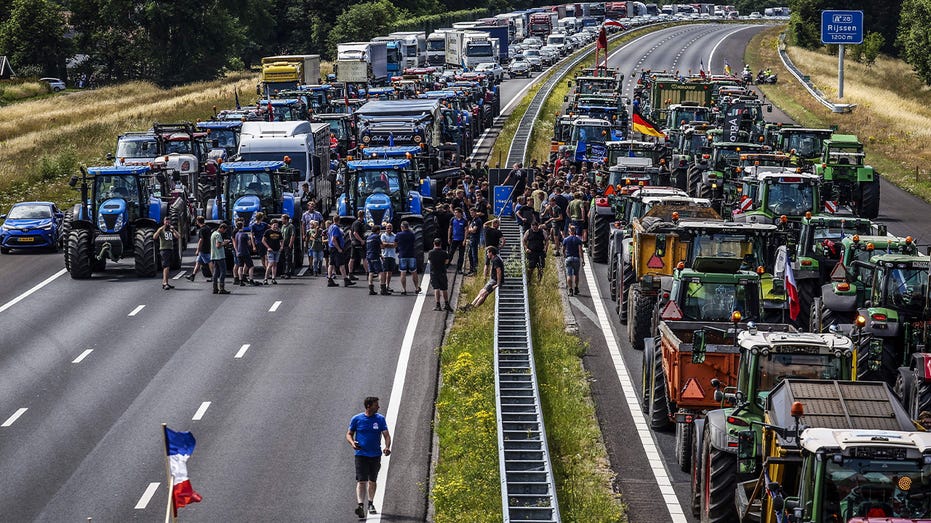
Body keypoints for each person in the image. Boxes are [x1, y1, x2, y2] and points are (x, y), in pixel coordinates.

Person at [346, 396, 391, 518]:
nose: (379, 407)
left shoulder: (380, 419)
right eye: (376, 405)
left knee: (372, 480)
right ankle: (360, 505)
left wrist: (387, 447)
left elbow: (386, 435)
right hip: (361, 455)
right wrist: (352, 443)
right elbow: (349, 434)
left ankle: (370, 503)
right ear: (369, 406)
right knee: (361, 480)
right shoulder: (357, 419)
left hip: (375, 455)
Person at [461, 246, 504, 311]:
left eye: (487, 253)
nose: (487, 254)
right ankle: (471, 306)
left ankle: (472, 308)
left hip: (494, 280)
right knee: (482, 293)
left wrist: (498, 283)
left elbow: (499, 271)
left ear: (491, 253)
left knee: (483, 293)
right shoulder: (495, 259)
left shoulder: (496, 260)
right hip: (493, 279)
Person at [153, 217, 179, 290]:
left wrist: (174, 230)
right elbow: (154, 237)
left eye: (168, 222)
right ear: (164, 222)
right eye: (166, 222)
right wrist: (159, 230)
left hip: (170, 249)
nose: (167, 223)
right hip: (164, 250)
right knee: (166, 267)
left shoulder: (171, 229)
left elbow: (178, 236)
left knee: (168, 267)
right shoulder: (161, 229)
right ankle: (165, 283)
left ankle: (166, 282)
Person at [395, 221, 420, 295]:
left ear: (402, 227)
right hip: (411, 255)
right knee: (414, 272)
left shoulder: (399, 234)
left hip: (402, 255)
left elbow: (395, 244)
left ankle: (404, 289)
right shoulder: (412, 234)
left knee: (403, 272)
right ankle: (416, 288)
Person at [327, 221, 355, 287]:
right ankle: (345, 279)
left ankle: (330, 279)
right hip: (336, 248)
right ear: (339, 220)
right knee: (341, 264)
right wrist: (339, 248)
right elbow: (334, 239)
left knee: (331, 264)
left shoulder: (330, 227)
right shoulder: (336, 228)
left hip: (331, 247)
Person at [186, 216, 212, 283]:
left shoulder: (201, 230)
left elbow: (201, 240)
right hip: (207, 246)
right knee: (198, 262)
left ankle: (213, 276)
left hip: (203, 248)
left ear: (197, 222)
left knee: (209, 262)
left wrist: (198, 249)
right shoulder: (208, 228)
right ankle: (193, 275)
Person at [428, 238, 451, 311]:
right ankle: (446, 304)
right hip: (442, 272)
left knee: (436, 288)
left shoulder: (431, 252)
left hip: (434, 272)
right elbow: (447, 262)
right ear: (440, 244)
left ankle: (438, 305)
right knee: (444, 289)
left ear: (434, 244)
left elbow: (429, 261)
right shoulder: (444, 253)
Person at [235, 219, 259, 286]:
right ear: (242, 226)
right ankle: (251, 280)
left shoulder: (236, 234)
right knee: (251, 266)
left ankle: (240, 280)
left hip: (239, 252)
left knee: (240, 266)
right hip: (245, 252)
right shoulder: (244, 234)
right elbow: (249, 243)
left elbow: (236, 243)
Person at [563, 225, 584, 296]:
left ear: (569, 231)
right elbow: (580, 250)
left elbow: (563, 249)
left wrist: (564, 256)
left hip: (568, 258)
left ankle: (570, 290)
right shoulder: (578, 240)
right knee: (576, 274)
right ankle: (576, 288)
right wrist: (582, 259)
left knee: (569, 275)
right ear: (575, 231)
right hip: (576, 258)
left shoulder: (566, 239)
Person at [210, 223, 231, 294]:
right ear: (222, 228)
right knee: (223, 272)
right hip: (220, 256)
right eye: (224, 230)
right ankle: (222, 288)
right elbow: (218, 245)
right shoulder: (218, 235)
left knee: (216, 272)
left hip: (214, 255)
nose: (224, 231)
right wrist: (225, 243)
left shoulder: (213, 233)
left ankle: (215, 288)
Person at [366, 225, 385, 295]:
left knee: (371, 272)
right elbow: (382, 246)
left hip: (368, 256)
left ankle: (371, 289)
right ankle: (383, 288)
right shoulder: (376, 237)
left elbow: (371, 248)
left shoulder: (368, 237)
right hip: (375, 256)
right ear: (377, 231)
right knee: (380, 272)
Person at [262, 220, 283, 284]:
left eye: (276, 225)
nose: (275, 226)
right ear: (271, 225)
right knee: (270, 264)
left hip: (277, 250)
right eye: (274, 225)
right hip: (271, 250)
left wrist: (281, 246)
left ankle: (273, 278)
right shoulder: (268, 232)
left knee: (275, 264)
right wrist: (268, 247)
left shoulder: (279, 232)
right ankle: (266, 278)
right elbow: (263, 240)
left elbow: (282, 240)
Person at [448, 208, 467, 273]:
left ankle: (459, 268)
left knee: (461, 255)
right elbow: (450, 229)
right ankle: (447, 265)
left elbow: (466, 230)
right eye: (455, 212)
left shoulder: (464, 221)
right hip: (454, 239)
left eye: (456, 212)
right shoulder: (453, 219)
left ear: (460, 213)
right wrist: (449, 238)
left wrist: (465, 239)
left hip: (461, 239)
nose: (455, 214)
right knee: (451, 253)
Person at [466, 207, 484, 276]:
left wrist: (469, 229)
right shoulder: (473, 219)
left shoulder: (478, 220)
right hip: (471, 238)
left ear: (475, 212)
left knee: (474, 255)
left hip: (475, 239)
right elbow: (470, 227)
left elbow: (473, 230)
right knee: (470, 255)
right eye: (470, 213)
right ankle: (471, 269)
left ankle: (475, 271)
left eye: (472, 213)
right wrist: (470, 229)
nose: (471, 214)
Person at [380, 223, 398, 293]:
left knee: (390, 272)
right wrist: (391, 244)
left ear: (392, 228)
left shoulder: (395, 236)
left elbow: (395, 245)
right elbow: (383, 245)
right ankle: (383, 286)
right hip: (385, 255)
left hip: (392, 255)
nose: (389, 229)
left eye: (390, 228)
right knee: (384, 272)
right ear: (385, 228)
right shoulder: (383, 235)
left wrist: (387, 244)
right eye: (387, 228)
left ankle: (388, 285)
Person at [349, 210, 367, 277]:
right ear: (363, 216)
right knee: (364, 258)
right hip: (358, 243)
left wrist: (351, 239)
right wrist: (361, 240)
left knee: (352, 258)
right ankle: (368, 272)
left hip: (354, 243)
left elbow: (350, 232)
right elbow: (355, 233)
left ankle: (350, 273)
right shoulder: (358, 223)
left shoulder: (354, 223)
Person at [279, 214, 295, 279]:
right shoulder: (283, 226)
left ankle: (288, 273)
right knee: (283, 259)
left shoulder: (291, 226)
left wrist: (290, 245)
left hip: (287, 245)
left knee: (288, 259)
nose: (281, 220)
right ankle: (283, 272)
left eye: (282, 219)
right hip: (283, 245)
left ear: (286, 219)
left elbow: (292, 235)